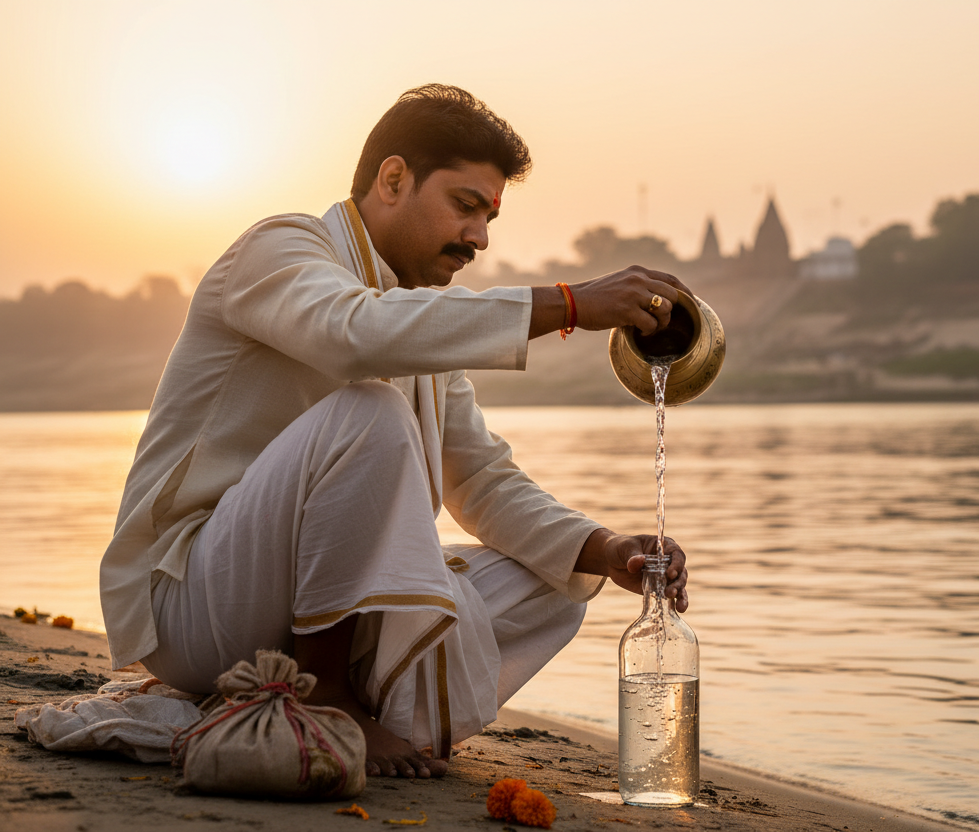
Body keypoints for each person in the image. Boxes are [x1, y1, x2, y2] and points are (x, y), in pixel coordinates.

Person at [99, 84, 691, 780]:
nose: (479, 237)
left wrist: (608, 548)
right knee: (371, 411)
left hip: (291, 624)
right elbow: (352, 336)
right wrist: (569, 304)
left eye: (489, 217)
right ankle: (326, 699)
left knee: (554, 585)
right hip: (193, 606)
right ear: (392, 179)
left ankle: (372, 713)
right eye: (465, 205)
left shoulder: (419, 321)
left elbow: (482, 480)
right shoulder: (280, 248)